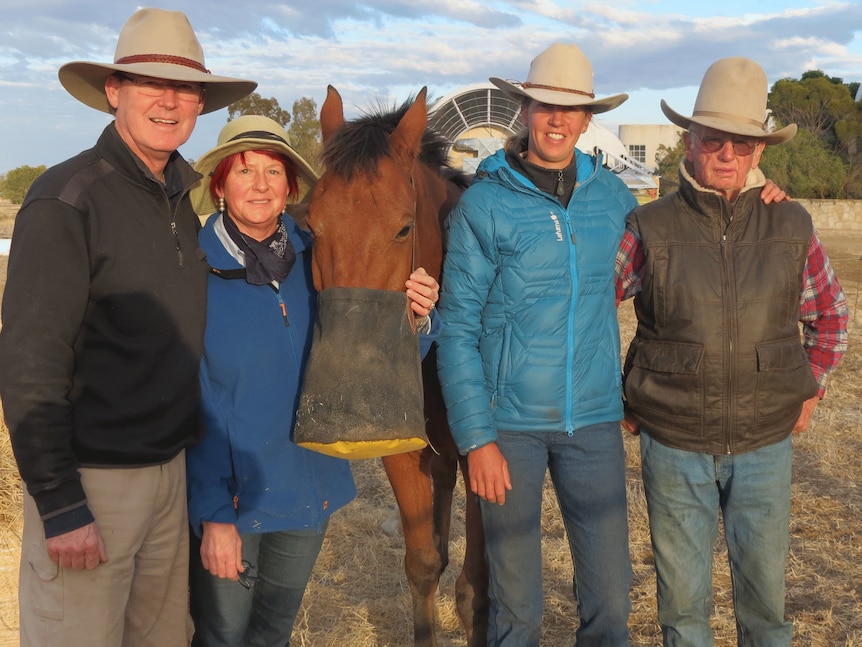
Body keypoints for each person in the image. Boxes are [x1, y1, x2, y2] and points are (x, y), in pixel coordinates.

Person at [0, 8, 256, 646]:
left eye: (186, 88)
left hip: (170, 476)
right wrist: (60, 502)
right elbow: (31, 360)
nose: (169, 101)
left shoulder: (185, 202)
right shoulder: (68, 200)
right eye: (150, 84)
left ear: (201, 103)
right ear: (113, 92)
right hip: (93, 483)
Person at [615, 57, 849, 646]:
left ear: (758, 152)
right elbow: (587, 308)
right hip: (672, 444)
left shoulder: (791, 223)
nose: (726, 154)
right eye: (712, 139)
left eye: (740, 143)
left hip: (765, 445)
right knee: (683, 609)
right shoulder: (647, 225)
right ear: (689, 143)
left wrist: (810, 390)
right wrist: (619, 391)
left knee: (767, 609)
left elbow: (831, 319)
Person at [186, 115, 441, 646]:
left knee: (274, 632)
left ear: (292, 188)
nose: (259, 184)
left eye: (273, 172)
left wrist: (415, 321)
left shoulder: (318, 255)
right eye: (243, 171)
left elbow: (361, 353)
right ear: (219, 186)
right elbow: (196, 398)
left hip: (309, 486)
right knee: (222, 634)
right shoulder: (192, 270)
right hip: (235, 500)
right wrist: (213, 515)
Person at [435, 42, 636, 646]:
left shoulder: (614, 199)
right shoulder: (486, 202)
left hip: (595, 422)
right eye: (545, 105)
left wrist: (760, 195)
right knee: (516, 607)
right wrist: (477, 439)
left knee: (611, 600)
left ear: (587, 119)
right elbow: (458, 328)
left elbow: (666, 270)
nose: (557, 119)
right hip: (510, 431)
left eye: (571, 110)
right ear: (524, 108)